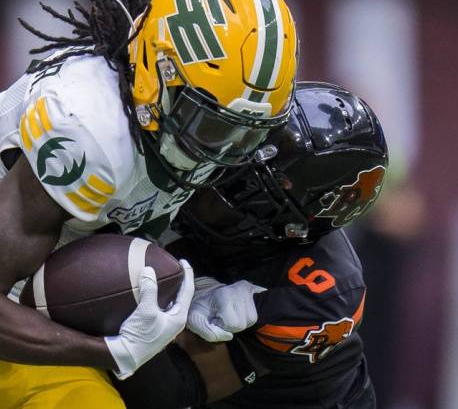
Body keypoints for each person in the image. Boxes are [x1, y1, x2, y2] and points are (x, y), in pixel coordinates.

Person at [0, 0, 298, 408]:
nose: (222, 151)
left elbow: (119, 240)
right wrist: (113, 351)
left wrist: (188, 292)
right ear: (156, 69)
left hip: (49, 343)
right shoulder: (86, 126)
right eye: (209, 124)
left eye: (246, 133)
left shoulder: (183, 129)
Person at [113, 81, 389, 408]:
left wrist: (119, 320)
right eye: (242, 147)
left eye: (252, 185)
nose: (223, 176)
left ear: (295, 222)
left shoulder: (316, 294)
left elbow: (182, 389)